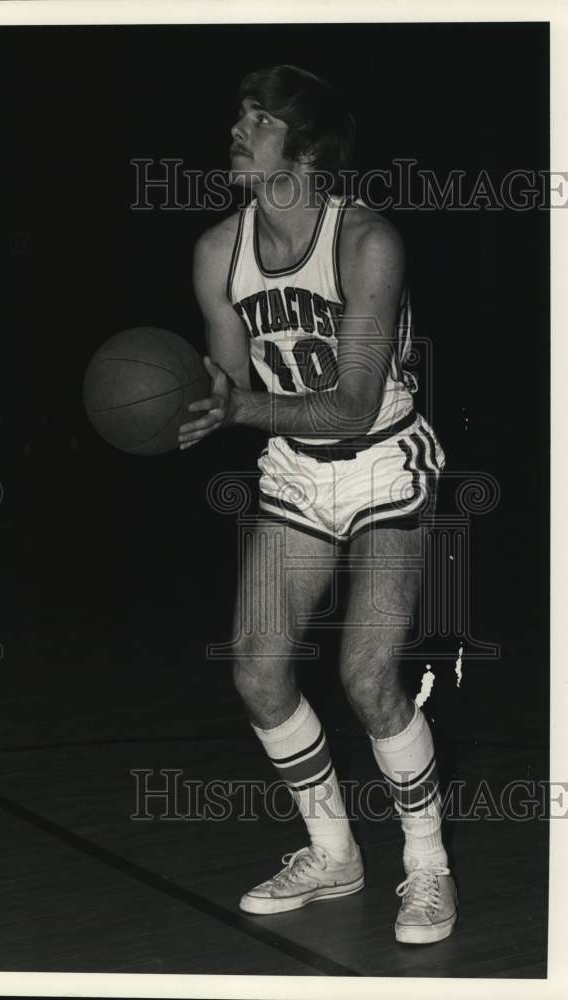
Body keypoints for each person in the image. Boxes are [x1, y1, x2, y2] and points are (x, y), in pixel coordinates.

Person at [178, 65, 457, 945]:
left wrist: (237, 409)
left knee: (368, 676)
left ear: (304, 150)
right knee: (257, 670)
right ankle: (333, 853)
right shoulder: (217, 251)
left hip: (382, 460)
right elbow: (228, 381)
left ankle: (428, 866)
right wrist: (182, 400)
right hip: (297, 467)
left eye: (259, 120)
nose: (238, 130)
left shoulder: (368, 241)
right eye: (240, 113)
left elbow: (352, 404)